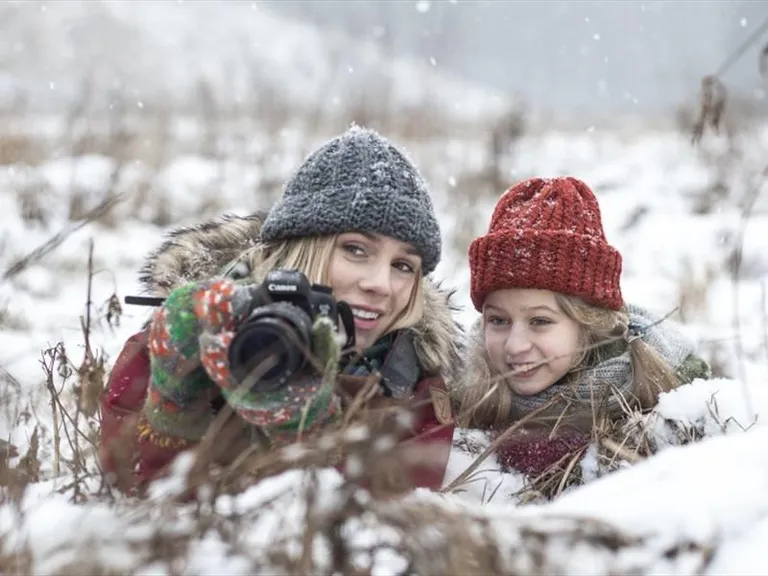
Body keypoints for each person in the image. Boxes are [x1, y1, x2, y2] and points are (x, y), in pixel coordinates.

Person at [99, 125, 461, 494]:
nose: (381, 284)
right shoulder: (188, 334)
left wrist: (305, 429)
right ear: (300, 250)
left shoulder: (413, 380)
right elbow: (132, 494)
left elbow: (387, 514)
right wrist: (176, 400)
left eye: (403, 266)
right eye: (355, 250)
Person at [454, 176, 711, 478]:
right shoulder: (459, 392)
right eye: (498, 320)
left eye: (540, 321)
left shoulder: (669, 400)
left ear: (589, 323)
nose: (515, 345)